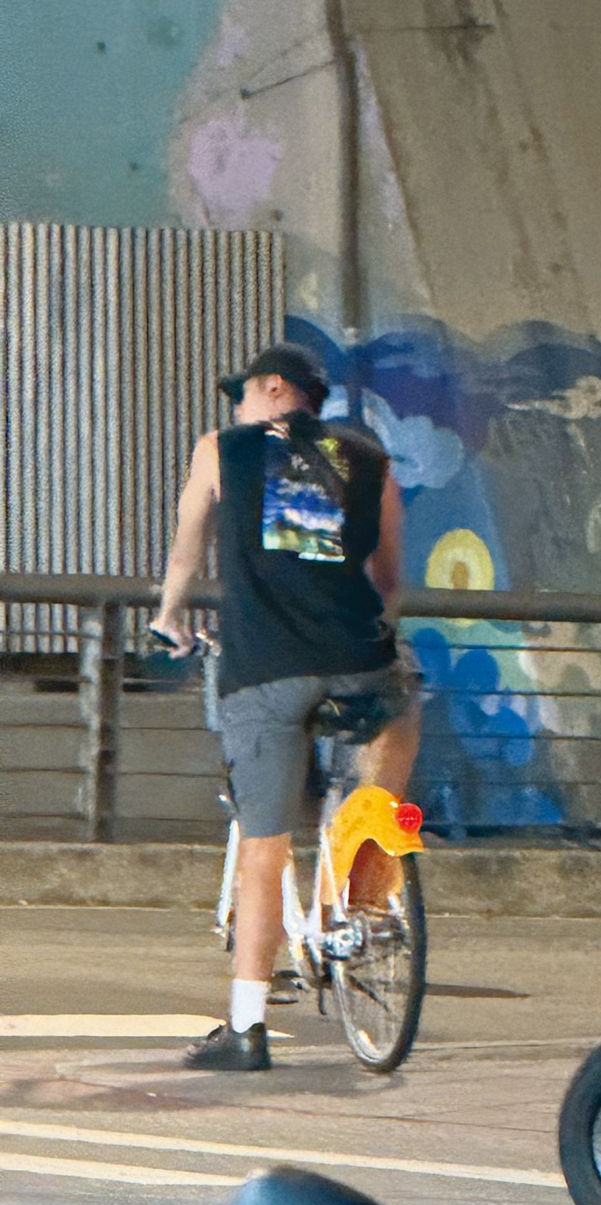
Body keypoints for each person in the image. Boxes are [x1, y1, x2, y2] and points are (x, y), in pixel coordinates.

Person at [152, 342, 420, 1071]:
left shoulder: (221, 449)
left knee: (263, 845)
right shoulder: (371, 461)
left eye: (241, 394)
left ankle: (247, 1027)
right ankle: (363, 885)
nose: (236, 409)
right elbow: (389, 579)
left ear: (273, 388)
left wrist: (170, 615)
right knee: (397, 721)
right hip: (361, 665)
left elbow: (186, 550)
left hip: (266, 669)